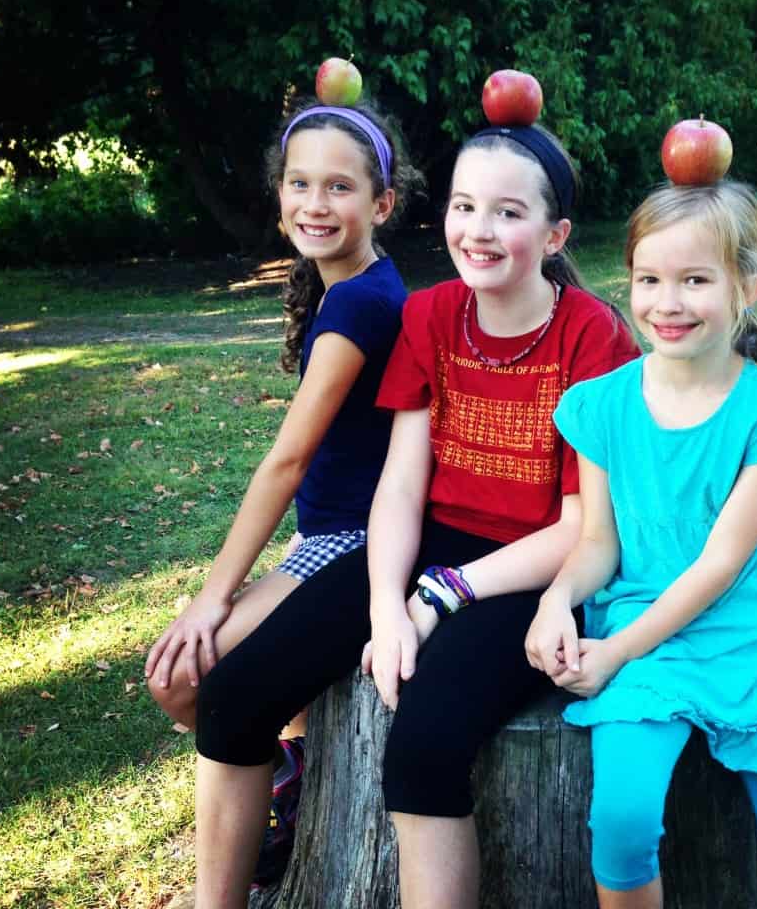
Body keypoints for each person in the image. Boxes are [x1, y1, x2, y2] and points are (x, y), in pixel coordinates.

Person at [187, 116, 639, 909]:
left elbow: (579, 528)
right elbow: (399, 485)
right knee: (231, 697)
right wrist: (383, 606)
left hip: (529, 566)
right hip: (424, 542)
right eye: (465, 207)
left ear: (556, 231)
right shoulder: (429, 316)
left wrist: (440, 596)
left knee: (422, 750)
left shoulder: (591, 337)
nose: (480, 230)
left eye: (509, 211)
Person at [526, 180, 757, 909]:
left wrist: (611, 652)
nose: (666, 304)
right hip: (652, 649)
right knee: (621, 823)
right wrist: (557, 601)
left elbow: (720, 564)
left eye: (695, 280)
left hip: (751, 643)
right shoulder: (600, 406)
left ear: (749, 287)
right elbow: (597, 546)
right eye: (649, 280)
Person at [143, 96, 417, 901]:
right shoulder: (355, 286)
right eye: (300, 184)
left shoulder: (361, 304)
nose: (315, 204)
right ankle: (295, 767)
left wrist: (211, 598)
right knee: (188, 681)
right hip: (329, 539)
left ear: (382, 204)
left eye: (339, 188)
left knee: (187, 680)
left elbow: (287, 461)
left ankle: (280, 793)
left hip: (360, 544)